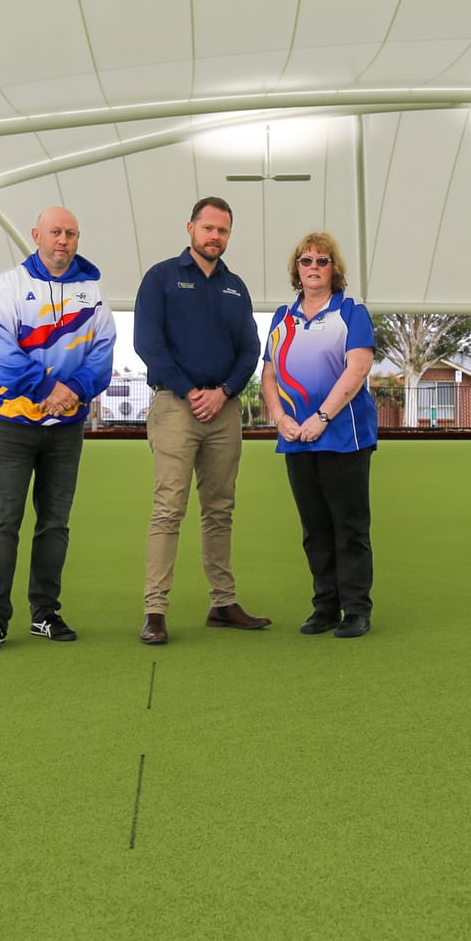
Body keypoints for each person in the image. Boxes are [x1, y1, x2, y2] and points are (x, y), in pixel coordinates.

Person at [0, 206, 115, 652]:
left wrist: (72, 392)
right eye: (55, 232)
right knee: (3, 521)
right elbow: (0, 354)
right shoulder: (8, 286)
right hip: (11, 425)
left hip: (66, 428)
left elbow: (104, 353)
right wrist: (51, 388)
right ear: (36, 235)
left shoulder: (93, 291)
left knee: (55, 524)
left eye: (71, 233)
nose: (63, 240)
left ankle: (45, 614)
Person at [132, 197, 265, 646]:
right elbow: (148, 343)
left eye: (222, 230)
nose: (215, 236)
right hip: (176, 406)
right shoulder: (161, 278)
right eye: (208, 228)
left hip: (223, 411)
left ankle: (223, 604)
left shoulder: (235, 288)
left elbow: (250, 349)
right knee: (169, 509)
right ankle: (155, 611)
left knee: (220, 510)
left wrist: (224, 392)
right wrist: (190, 391)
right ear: (190, 228)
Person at [261, 233, 378, 638]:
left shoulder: (351, 312)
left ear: (334, 268)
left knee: (349, 527)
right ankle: (325, 607)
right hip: (296, 438)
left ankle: (356, 609)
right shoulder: (282, 317)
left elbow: (357, 369)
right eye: (306, 260)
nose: (313, 267)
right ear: (297, 269)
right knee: (314, 529)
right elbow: (269, 374)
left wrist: (323, 417)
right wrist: (280, 418)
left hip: (344, 436)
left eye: (322, 261)